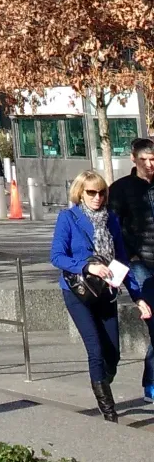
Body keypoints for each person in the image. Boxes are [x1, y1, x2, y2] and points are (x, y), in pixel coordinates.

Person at [51, 170, 152, 420]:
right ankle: (108, 410)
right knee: (95, 350)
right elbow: (57, 256)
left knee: (113, 354)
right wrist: (87, 266)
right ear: (80, 193)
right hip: (78, 291)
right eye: (91, 192)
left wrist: (138, 298)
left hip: (106, 291)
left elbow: (122, 261)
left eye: (102, 192)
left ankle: (100, 381)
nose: (97, 197)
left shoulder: (111, 220)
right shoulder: (68, 218)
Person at [108, 138, 154, 403]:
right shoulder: (121, 189)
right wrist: (127, 256)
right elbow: (113, 227)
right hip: (139, 262)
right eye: (144, 160)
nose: (149, 165)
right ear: (133, 159)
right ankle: (151, 383)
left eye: (153, 160)